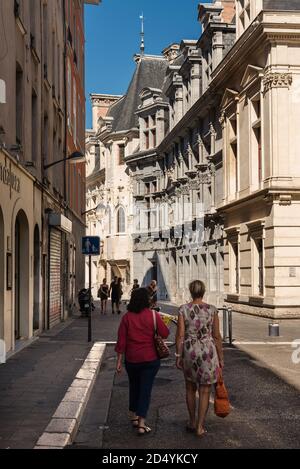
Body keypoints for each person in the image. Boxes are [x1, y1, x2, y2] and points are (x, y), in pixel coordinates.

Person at [115, 288, 169, 435]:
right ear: (147, 300)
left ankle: (133, 415)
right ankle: (141, 423)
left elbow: (121, 341)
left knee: (134, 386)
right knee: (145, 389)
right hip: (150, 359)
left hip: (132, 359)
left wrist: (119, 361)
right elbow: (165, 333)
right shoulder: (153, 315)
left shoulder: (127, 317)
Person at [175, 280, 224, 437]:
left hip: (190, 351)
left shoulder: (183, 309)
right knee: (205, 390)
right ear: (203, 291)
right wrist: (221, 358)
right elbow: (216, 336)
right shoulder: (212, 310)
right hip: (208, 352)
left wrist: (178, 355)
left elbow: (180, 335)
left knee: (190, 388)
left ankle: (192, 421)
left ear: (190, 291)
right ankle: (200, 427)